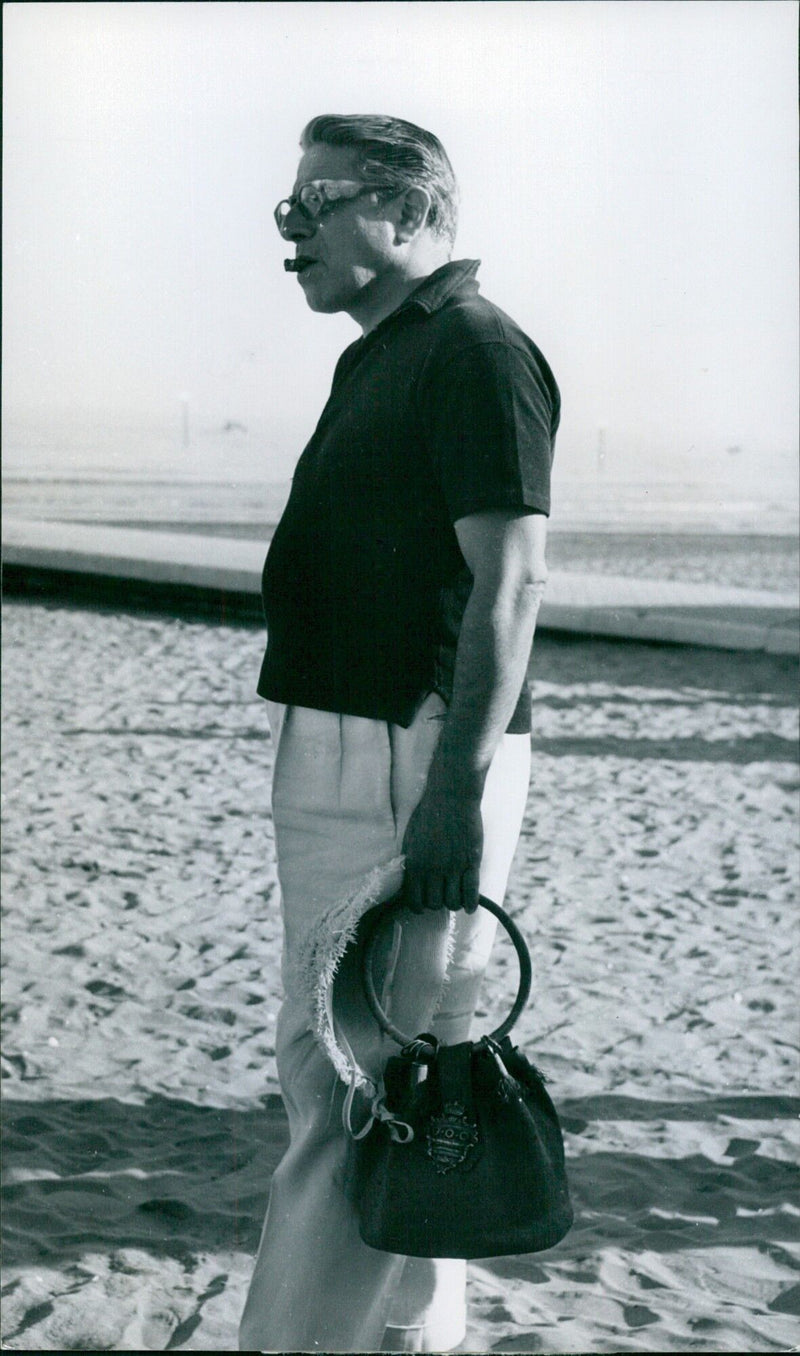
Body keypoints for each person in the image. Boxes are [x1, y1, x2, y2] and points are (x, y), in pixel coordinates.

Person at [239, 114, 560, 1354]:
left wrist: (452, 795)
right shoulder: (383, 351)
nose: (288, 235)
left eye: (309, 204)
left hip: (411, 752)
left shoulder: (475, 352)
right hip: (347, 746)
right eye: (287, 210)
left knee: (356, 1086)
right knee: (395, 1081)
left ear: (408, 212)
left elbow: (512, 586)